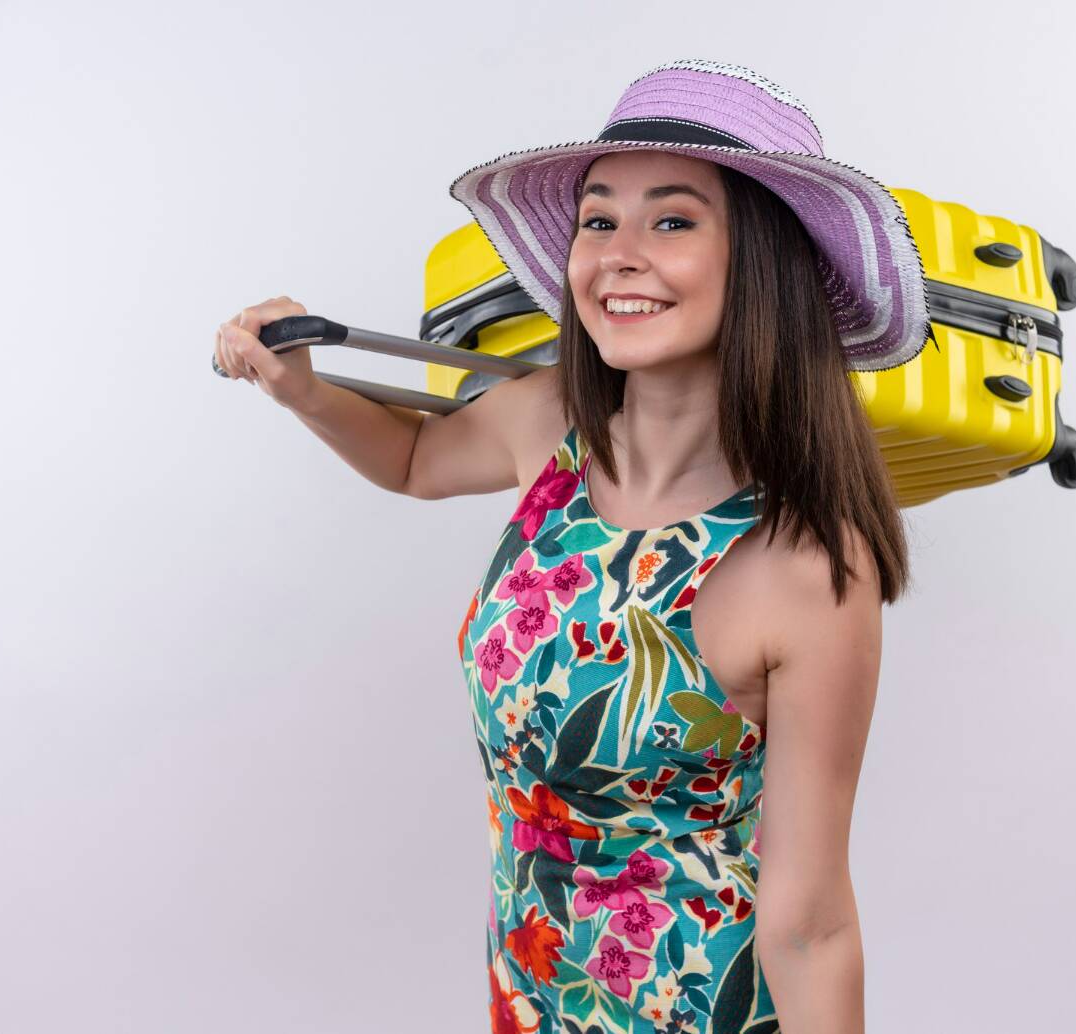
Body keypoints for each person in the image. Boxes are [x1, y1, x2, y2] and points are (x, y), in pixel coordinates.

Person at [212, 58, 930, 1034]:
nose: (618, 253)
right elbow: (418, 455)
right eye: (599, 219)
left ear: (760, 261)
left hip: (693, 1005)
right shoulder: (548, 424)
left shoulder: (800, 565)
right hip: (534, 981)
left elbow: (809, 927)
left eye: (672, 220)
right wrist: (301, 387)